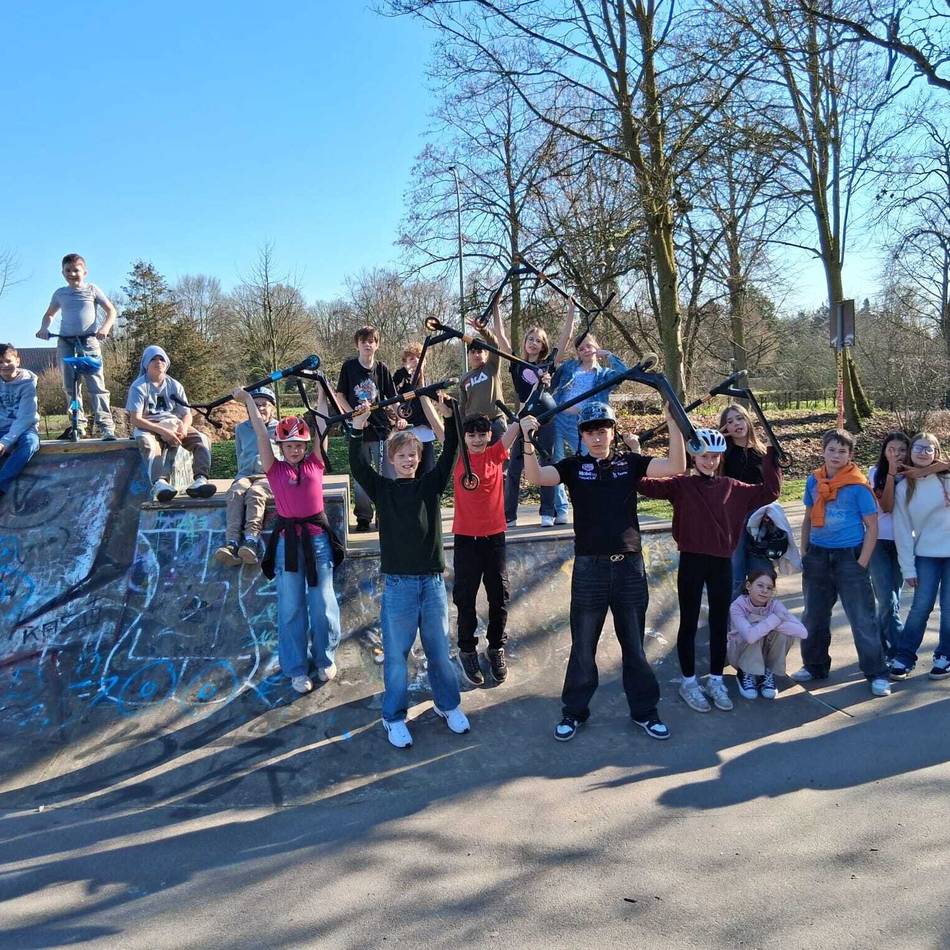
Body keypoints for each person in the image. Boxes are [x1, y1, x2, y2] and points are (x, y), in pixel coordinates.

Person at [519, 400, 686, 742]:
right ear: (582, 435)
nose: (597, 437)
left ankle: (645, 711)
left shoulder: (630, 463)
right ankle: (574, 711)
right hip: (589, 569)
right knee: (583, 646)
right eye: (590, 431)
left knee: (635, 647)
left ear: (613, 431)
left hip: (629, 568)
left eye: (603, 429)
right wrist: (526, 438)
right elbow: (535, 476)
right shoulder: (572, 466)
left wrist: (674, 423)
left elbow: (677, 465)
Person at [348, 397, 469, 750]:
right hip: (399, 585)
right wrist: (357, 430)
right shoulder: (383, 489)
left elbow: (450, 454)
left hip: (430, 582)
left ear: (418, 458)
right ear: (391, 459)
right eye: (401, 456)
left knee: (438, 651)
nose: (407, 460)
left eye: (413, 455)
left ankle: (448, 705)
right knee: (398, 656)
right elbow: (358, 465)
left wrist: (452, 417)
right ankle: (394, 717)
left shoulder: (429, 486)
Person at [638, 428, 782, 713]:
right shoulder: (681, 484)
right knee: (689, 623)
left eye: (715, 457)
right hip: (692, 561)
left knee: (719, 623)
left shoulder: (732, 487)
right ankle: (689, 681)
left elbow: (770, 492)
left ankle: (716, 679)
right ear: (693, 456)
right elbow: (644, 485)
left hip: (721, 563)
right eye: (704, 456)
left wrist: (770, 457)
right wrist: (635, 455)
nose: (710, 461)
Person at [235, 387, 341, 695]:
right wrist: (247, 402)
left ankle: (324, 657)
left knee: (322, 603)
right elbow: (258, 430)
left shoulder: (315, 464)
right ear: (280, 446)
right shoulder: (274, 468)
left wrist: (323, 391)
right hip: (287, 545)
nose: (294, 449)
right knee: (292, 607)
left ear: (306, 445)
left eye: (299, 444)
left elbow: (321, 421)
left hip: (318, 541)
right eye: (288, 444)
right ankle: (296, 667)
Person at [790, 429, 891, 697]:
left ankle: (877, 673)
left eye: (842, 451)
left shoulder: (857, 486)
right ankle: (814, 666)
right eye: (832, 450)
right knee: (813, 616)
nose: (836, 455)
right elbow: (809, 517)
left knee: (862, 618)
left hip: (850, 556)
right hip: (818, 555)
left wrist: (862, 562)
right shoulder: (814, 481)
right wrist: (805, 551)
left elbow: (872, 527)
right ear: (823, 451)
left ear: (850, 455)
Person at [451, 412, 522, 687]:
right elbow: (439, 427)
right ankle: (467, 649)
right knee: (465, 598)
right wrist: (425, 396)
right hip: (466, 539)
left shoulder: (496, 454)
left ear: (490, 435)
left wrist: (540, 381)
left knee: (499, 596)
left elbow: (517, 424)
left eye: (482, 434)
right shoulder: (459, 458)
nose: (477, 440)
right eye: (471, 435)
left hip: (494, 538)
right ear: (464, 437)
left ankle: (496, 647)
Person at [503, 302, 574, 527]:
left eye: (538, 340)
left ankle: (547, 512)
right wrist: (496, 308)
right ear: (524, 342)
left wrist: (571, 312)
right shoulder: (516, 364)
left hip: (546, 418)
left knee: (547, 464)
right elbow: (501, 339)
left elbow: (564, 341)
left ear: (543, 345)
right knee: (514, 467)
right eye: (530, 339)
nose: (533, 343)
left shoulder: (547, 365)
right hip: (524, 418)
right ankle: (509, 515)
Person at [36, 252, 117, 440]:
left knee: (96, 385)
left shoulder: (92, 290)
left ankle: (106, 426)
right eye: (68, 270)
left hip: (89, 342)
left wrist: (105, 328)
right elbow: (49, 315)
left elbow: (111, 310)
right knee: (71, 387)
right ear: (63, 272)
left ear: (85, 272)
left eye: (76, 270)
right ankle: (77, 423)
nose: (72, 274)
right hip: (66, 342)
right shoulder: (60, 293)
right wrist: (43, 328)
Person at [889, 433, 950, 680]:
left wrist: (943, 467)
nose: (923, 452)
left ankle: (945, 655)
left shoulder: (946, 480)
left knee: (949, 608)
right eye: (918, 447)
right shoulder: (904, 487)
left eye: (929, 448)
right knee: (920, 607)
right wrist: (908, 569)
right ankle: (905, 657)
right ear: (911, 452)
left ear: (937, 453)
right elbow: (902, 530)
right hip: (926, 554)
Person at [126, 345, 217, 502]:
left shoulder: (175, 385)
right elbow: (135, 419)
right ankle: (159, 483)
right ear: (146, 363)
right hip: (148, 426)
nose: (158, 362)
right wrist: (163, 431)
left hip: (174, 424)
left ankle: (200, 480)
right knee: (148, 444)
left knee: (202, 439)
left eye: (161, 359)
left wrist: (184, 427)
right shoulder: (139, 387)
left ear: (166, 363)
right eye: (153, 359)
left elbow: (187, 413)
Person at [335, 325, 401, 532]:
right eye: (363, 341)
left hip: (382, 430)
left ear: (377, 345)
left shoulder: (382, 369)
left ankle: (385, 513)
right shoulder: (349, 367)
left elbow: (392, 398)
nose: (367, 344)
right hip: (360, 430)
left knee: (387, 474)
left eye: (371, 340)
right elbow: (340, 396)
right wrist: (354, 417)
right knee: (362, 476)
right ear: (357, 345)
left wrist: (400, 416)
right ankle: (363, 516)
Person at [549, 332, 628, 492]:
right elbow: (551, 382)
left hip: (584, 424)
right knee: (556, 461)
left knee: (592, 459)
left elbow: (623, 374)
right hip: (558, 418)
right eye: (581, 348)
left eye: (589, 346)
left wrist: (608, 355)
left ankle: (598, 493)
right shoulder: (569, 366)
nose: (585, 350)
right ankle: (561, 509)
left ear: (596, 347)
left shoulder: (604, 375)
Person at [214, 386, 279, 566]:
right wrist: (242, 473)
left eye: (265, 405)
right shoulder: (241, 429)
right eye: (256, 405)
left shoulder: (279, 427)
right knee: (236, 492)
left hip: (268, 475)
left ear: (273, 408)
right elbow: (239, 453)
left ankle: (251, 539)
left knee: (256, 493)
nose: (260, 409)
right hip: (246, 474)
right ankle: (231, 543)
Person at [728, 568, 808, 700]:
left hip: (764, 653)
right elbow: (750, 636)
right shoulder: (738, 606)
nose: (765, 590)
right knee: (754, 632)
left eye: (769, 588)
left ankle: (766, 671)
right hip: (740, 653)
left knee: (784, 634)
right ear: (749, 586)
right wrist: (773, 619)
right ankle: (745, 673)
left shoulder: (775, 605)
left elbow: (802, 632)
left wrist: (767, 621)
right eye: (760, 585)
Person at [719, 402, 771, 597]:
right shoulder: (723, 454)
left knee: (762, 571)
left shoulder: (762, 452)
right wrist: (719, 439)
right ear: (725, 428)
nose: (736, 424)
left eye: (740, 418)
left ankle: (758, 615)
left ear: (748, 420)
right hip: (733, 518)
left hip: (760, 518)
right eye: (730, 422)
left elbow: (771, 487)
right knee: (736, 570)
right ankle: (733, 619)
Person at [867, 432, 911, 658]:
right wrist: (892, 474)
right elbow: (886, 506)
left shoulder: (914, 476)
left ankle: (878, 647)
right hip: (878, 541)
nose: (897, 454)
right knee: (887, 598)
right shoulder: (875, 474)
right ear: (884, 451)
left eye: (902, 450)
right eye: (892, 449)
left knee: (892, 599)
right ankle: (898, 651)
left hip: (904, 542)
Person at [458, 316, 510, 444]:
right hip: (475, 426)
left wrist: (483, 329)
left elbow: (494, 344)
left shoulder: (492, 367)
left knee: (501, 460)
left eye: (480, 351)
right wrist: (462, 425)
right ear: (468, 356)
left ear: (486, 354)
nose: (476, 355)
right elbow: (462, 406)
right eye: (473, 352)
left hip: (496, 422)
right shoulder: (465, 378)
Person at [0, 344, 40, 499]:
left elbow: (25, 417)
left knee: (30, 443)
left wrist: (5, 442)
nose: (4, 366)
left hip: (25, 428)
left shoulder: (28, 383)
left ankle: (1, 484)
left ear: (17, 361)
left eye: (8, 361)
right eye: (0, 362)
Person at [392, 343, 437, 474]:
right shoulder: (401, 379)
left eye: (419, 357)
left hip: (426, 435)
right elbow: (390, 392)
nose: (416, 360)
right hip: (408, 433)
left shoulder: (428, 381)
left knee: (427, 473)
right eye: (411, 358)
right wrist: (405, 371)